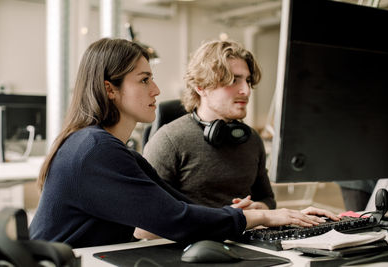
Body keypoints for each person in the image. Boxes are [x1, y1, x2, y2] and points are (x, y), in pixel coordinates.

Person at [29, 38, 338, 248]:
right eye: (144, 79)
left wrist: (280, 216)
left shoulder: (108, 148)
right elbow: (173, 219)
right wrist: (264, 216)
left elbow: (182, 205)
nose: (157, 90)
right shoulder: (95, 150)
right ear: (110, 89)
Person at [143, 40, 274, 210]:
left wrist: (260, 208)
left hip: (247, 235)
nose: (246, 91)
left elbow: (267, 198)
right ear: (201, 86)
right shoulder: (168, 141)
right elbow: (149, 220)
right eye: (234, 80)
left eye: (247, 81)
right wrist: (226, 220)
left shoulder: (252, 139)